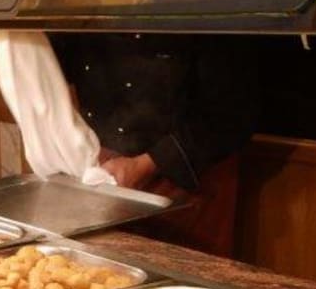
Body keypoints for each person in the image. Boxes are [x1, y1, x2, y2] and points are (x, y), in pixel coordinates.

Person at [51, 31, 260, 256]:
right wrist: (82, 143)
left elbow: (230, 116)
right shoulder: (82, 16)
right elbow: (55, 68)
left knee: (185, 270)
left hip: (190, 180)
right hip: (104, 176)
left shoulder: (213, 24)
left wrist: (146, 163)